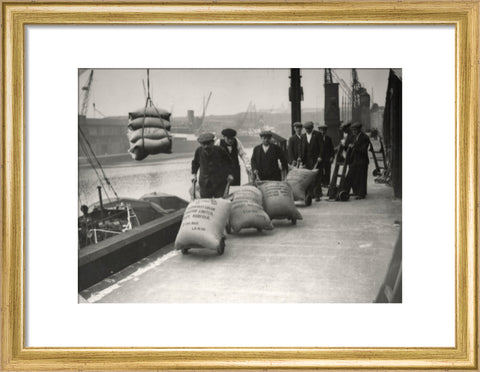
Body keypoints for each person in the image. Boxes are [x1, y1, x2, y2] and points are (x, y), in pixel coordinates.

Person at [191, 132, 234, 198]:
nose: (206, 146)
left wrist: (230, 174)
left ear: (213, 142)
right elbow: (195, 163)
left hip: (219, 183)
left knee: (220, 202)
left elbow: (229, 163)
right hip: (204, 184)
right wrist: (194, 174)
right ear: (201, 144)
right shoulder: (198, 151)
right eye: (203, 144)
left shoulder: (220, 150)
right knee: (205, 202)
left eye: (208, 144)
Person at [343, 122, 370, 199]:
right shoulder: (354, 137)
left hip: (362, 161)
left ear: (359, 129)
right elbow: (350, 147)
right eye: (353, 130)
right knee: (350, 176)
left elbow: (363, 150)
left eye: (355, 130)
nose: (354, 131)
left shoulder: (365, 137)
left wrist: (354, 147)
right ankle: (345, 192)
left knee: (362, 177)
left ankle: (361, 194)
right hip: (355, 160)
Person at [300, 121, 323, 201]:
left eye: (309, 129)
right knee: (307, 178)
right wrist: (300, 158)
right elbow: (301, 149)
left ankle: (317, 195)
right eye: (306, 129)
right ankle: (309, 195)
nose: (307, 130)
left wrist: (320, 156)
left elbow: (321, 147)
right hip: (306, 160)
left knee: (316, 177)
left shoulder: (318, 134)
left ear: (312, 128)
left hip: (316, 160)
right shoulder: (303, 136)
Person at [317, 123, 335, 187]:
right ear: (319, 130)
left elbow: (331, 149)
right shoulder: (317, 138)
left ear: (326, 130)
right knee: (320, 171)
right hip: (320, 158)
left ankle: (327, 183)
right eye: (321, 130)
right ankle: (321, 183)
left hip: (327, 158)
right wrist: (318, 157)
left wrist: (332, 157)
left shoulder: (328, 138)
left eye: (324, 130)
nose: (322, 131)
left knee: (327, 171)